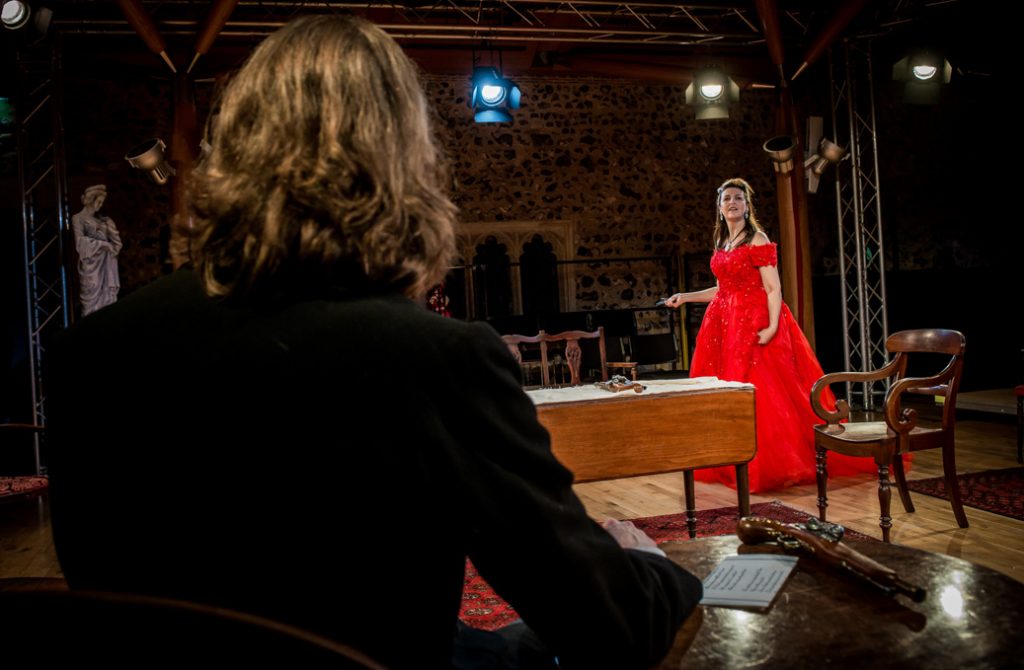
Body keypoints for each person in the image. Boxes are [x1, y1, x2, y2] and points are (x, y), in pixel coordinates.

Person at [45, 15, 702, 670]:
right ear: (398, 164)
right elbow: (606, 627)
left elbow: (105, 597)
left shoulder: (90, 353)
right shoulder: (429, 358)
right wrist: (648, 566)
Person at [665, 178, 873, 492]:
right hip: (724, 322)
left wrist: (774, 325)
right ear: (720, 208)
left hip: (752, 319)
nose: (732, 203)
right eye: (726, 200)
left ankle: (766, 463)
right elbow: (723, 290)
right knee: (727, 390)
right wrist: (686, 296)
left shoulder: (756, 239)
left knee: (762, 391)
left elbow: (773, 287)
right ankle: (731, 456)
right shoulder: (723, 241)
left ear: (747, 206)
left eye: (738, 198)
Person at [71, 184, 122, 315]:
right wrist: (103, 245)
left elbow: (116, 245)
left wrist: (112, 236)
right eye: (98, 202)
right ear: (90, 200)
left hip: (106, 265)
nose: (100, 205)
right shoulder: (78, 218)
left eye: (102, 202)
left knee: (108, 304)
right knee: (89, 308)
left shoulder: (104, 221)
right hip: (91, 268)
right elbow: (80, 243)